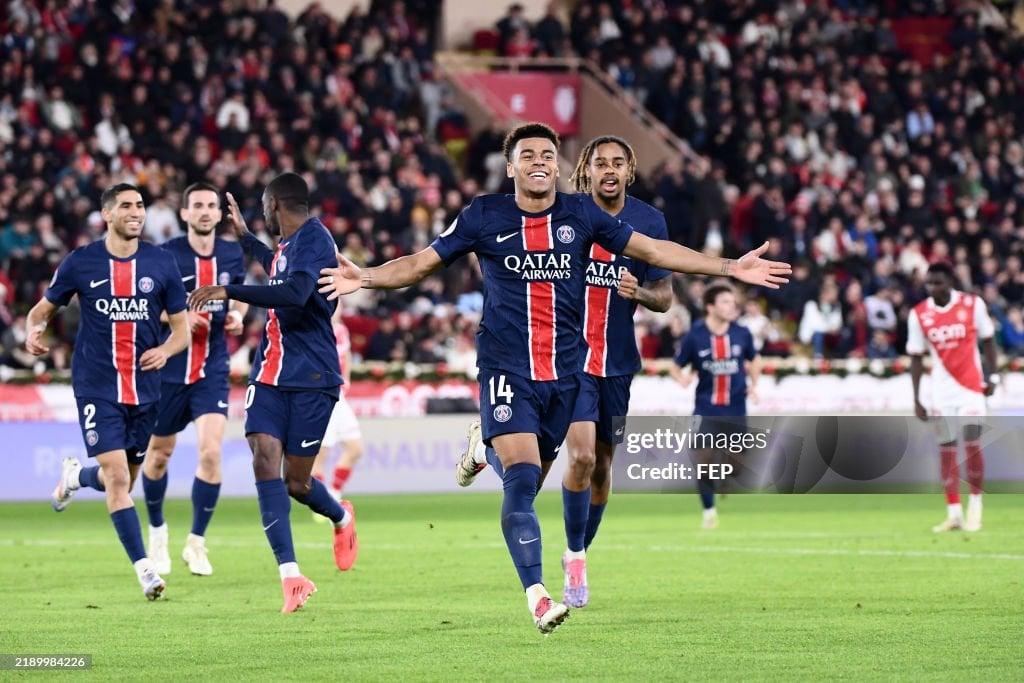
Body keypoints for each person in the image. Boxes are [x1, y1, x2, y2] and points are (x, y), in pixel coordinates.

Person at [317, 122, 790, 634]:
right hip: (506, 367)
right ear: (511, 167)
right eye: (528, 154)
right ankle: (539, 595)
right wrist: (363, 276)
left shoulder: (580, 213)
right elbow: (420, 264)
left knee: (537, 474)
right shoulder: (483, 214)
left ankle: (483, 451)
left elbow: (654, 253)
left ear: (559, 165)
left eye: (548, 153)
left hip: (566, 372)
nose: (539, 161)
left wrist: (728, 267)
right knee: (523, 484)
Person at [455, 135, 673, 610]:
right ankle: (568, 560)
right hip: (566, 362)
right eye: (600, 163)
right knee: (574, 460)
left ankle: (576, 552)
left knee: (599, 467)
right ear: (584, 172)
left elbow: (664, 293)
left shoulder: (647, 222)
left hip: (615, 362)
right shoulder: (571, 212)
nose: (609, 170)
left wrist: (645, 293)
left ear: (630, 170)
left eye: (619, 162)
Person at [187, 173, 357, 613]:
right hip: (269, 374)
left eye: (263, 207)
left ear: (275, 203)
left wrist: (229, 290)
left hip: (314, 379)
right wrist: (245, 238)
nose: (261, 214)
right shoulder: (287, 247)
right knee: (263, 456)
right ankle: (291, 576)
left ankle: (341, 516)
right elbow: (275, 264)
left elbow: (297, 293)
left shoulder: (316, 239)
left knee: (297, 483)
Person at [29, 183, 189, 600]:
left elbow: (182, 331)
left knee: (120, 479)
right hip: (97, 386)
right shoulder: (80, 263)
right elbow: (42, 310)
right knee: (118, 478)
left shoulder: (162, 263)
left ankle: (75, 476)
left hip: (146, 390)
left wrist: (165, 350)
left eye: (140, 205)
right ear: (107, 214)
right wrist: (33, 330)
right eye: (126, 206)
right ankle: (145, 571)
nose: (136, 211)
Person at [141, 182, 248, 577]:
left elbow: (235, 295)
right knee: (157, 457)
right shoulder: (165, 256)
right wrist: (180, 319)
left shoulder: (232, 252)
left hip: (212, 370)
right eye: (197, 206)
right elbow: (148, 312)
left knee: (211, 453)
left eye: (211, 206)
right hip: (170, 372)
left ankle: (196, 544)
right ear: (184, 214)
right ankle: (157, 532)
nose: (205, 211)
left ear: (219, 215)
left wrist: (236, 314)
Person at [907, 262, 998, 533]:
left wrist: (992, 377)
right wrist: (916, 398)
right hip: (941, 392)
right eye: (929, 284)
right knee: (947, 451)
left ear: (950, 282)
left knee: (971, 443)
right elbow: (915, 357)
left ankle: (976, 508)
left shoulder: (972, 305)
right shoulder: (920, 314)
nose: (933, 288)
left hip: (971, 388)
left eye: (938, 283)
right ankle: (954, 513)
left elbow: (989, 341)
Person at [672, 285, 760, 529]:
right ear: (710, 307)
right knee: (703, 460)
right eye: (725, 302)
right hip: (706, 408)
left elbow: (754, 360)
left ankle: (724, 477)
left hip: (735, 409)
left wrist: (754, 385)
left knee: (736, 468)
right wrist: (682, 378)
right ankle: (709, 512)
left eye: (733, 302)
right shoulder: (695, 336)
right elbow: (675, 365)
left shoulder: (742, 333)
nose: (732, 306)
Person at [311, 306, 364, 516]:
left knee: (356, 448)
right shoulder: (316, 330)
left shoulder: (341, 330)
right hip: (323, 394)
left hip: (340, 395)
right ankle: (320, 504)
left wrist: (347, 378)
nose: (338, 308)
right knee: (320, 454)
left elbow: (347, 355)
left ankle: (333, 493)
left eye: (339, 303)